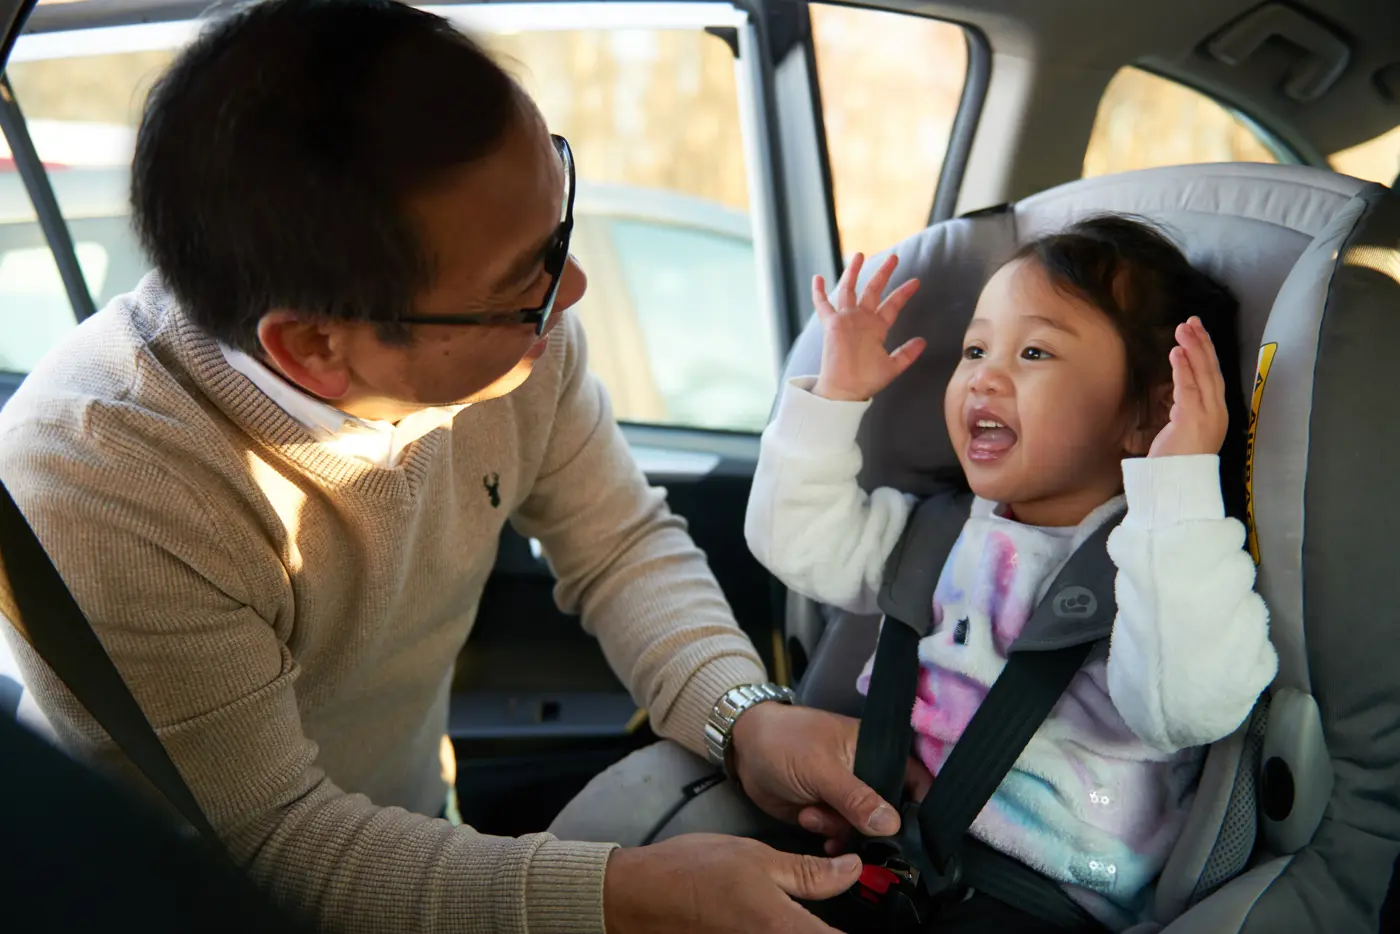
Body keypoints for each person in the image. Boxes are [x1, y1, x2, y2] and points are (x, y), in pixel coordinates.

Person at [0, 1, 916, 932]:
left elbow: (620, 544)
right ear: (316, 346)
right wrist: (636, 892)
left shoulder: (519, 344)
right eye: (522, 280)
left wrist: (743, 716)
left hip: (409, 821)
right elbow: (276, 843)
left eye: (554, 230)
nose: (572, 293)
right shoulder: (100, 482)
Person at [745, 215, 1281, 931]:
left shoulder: (1166, 562)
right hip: (882, 851)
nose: (983, 376)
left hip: (1045, 893)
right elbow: (794, 541)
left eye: (1033, 351)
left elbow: (1186, 704)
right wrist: (834, 396)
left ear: (1150, 412)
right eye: (973, 348)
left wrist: (1178, 489)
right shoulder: (934, 533)